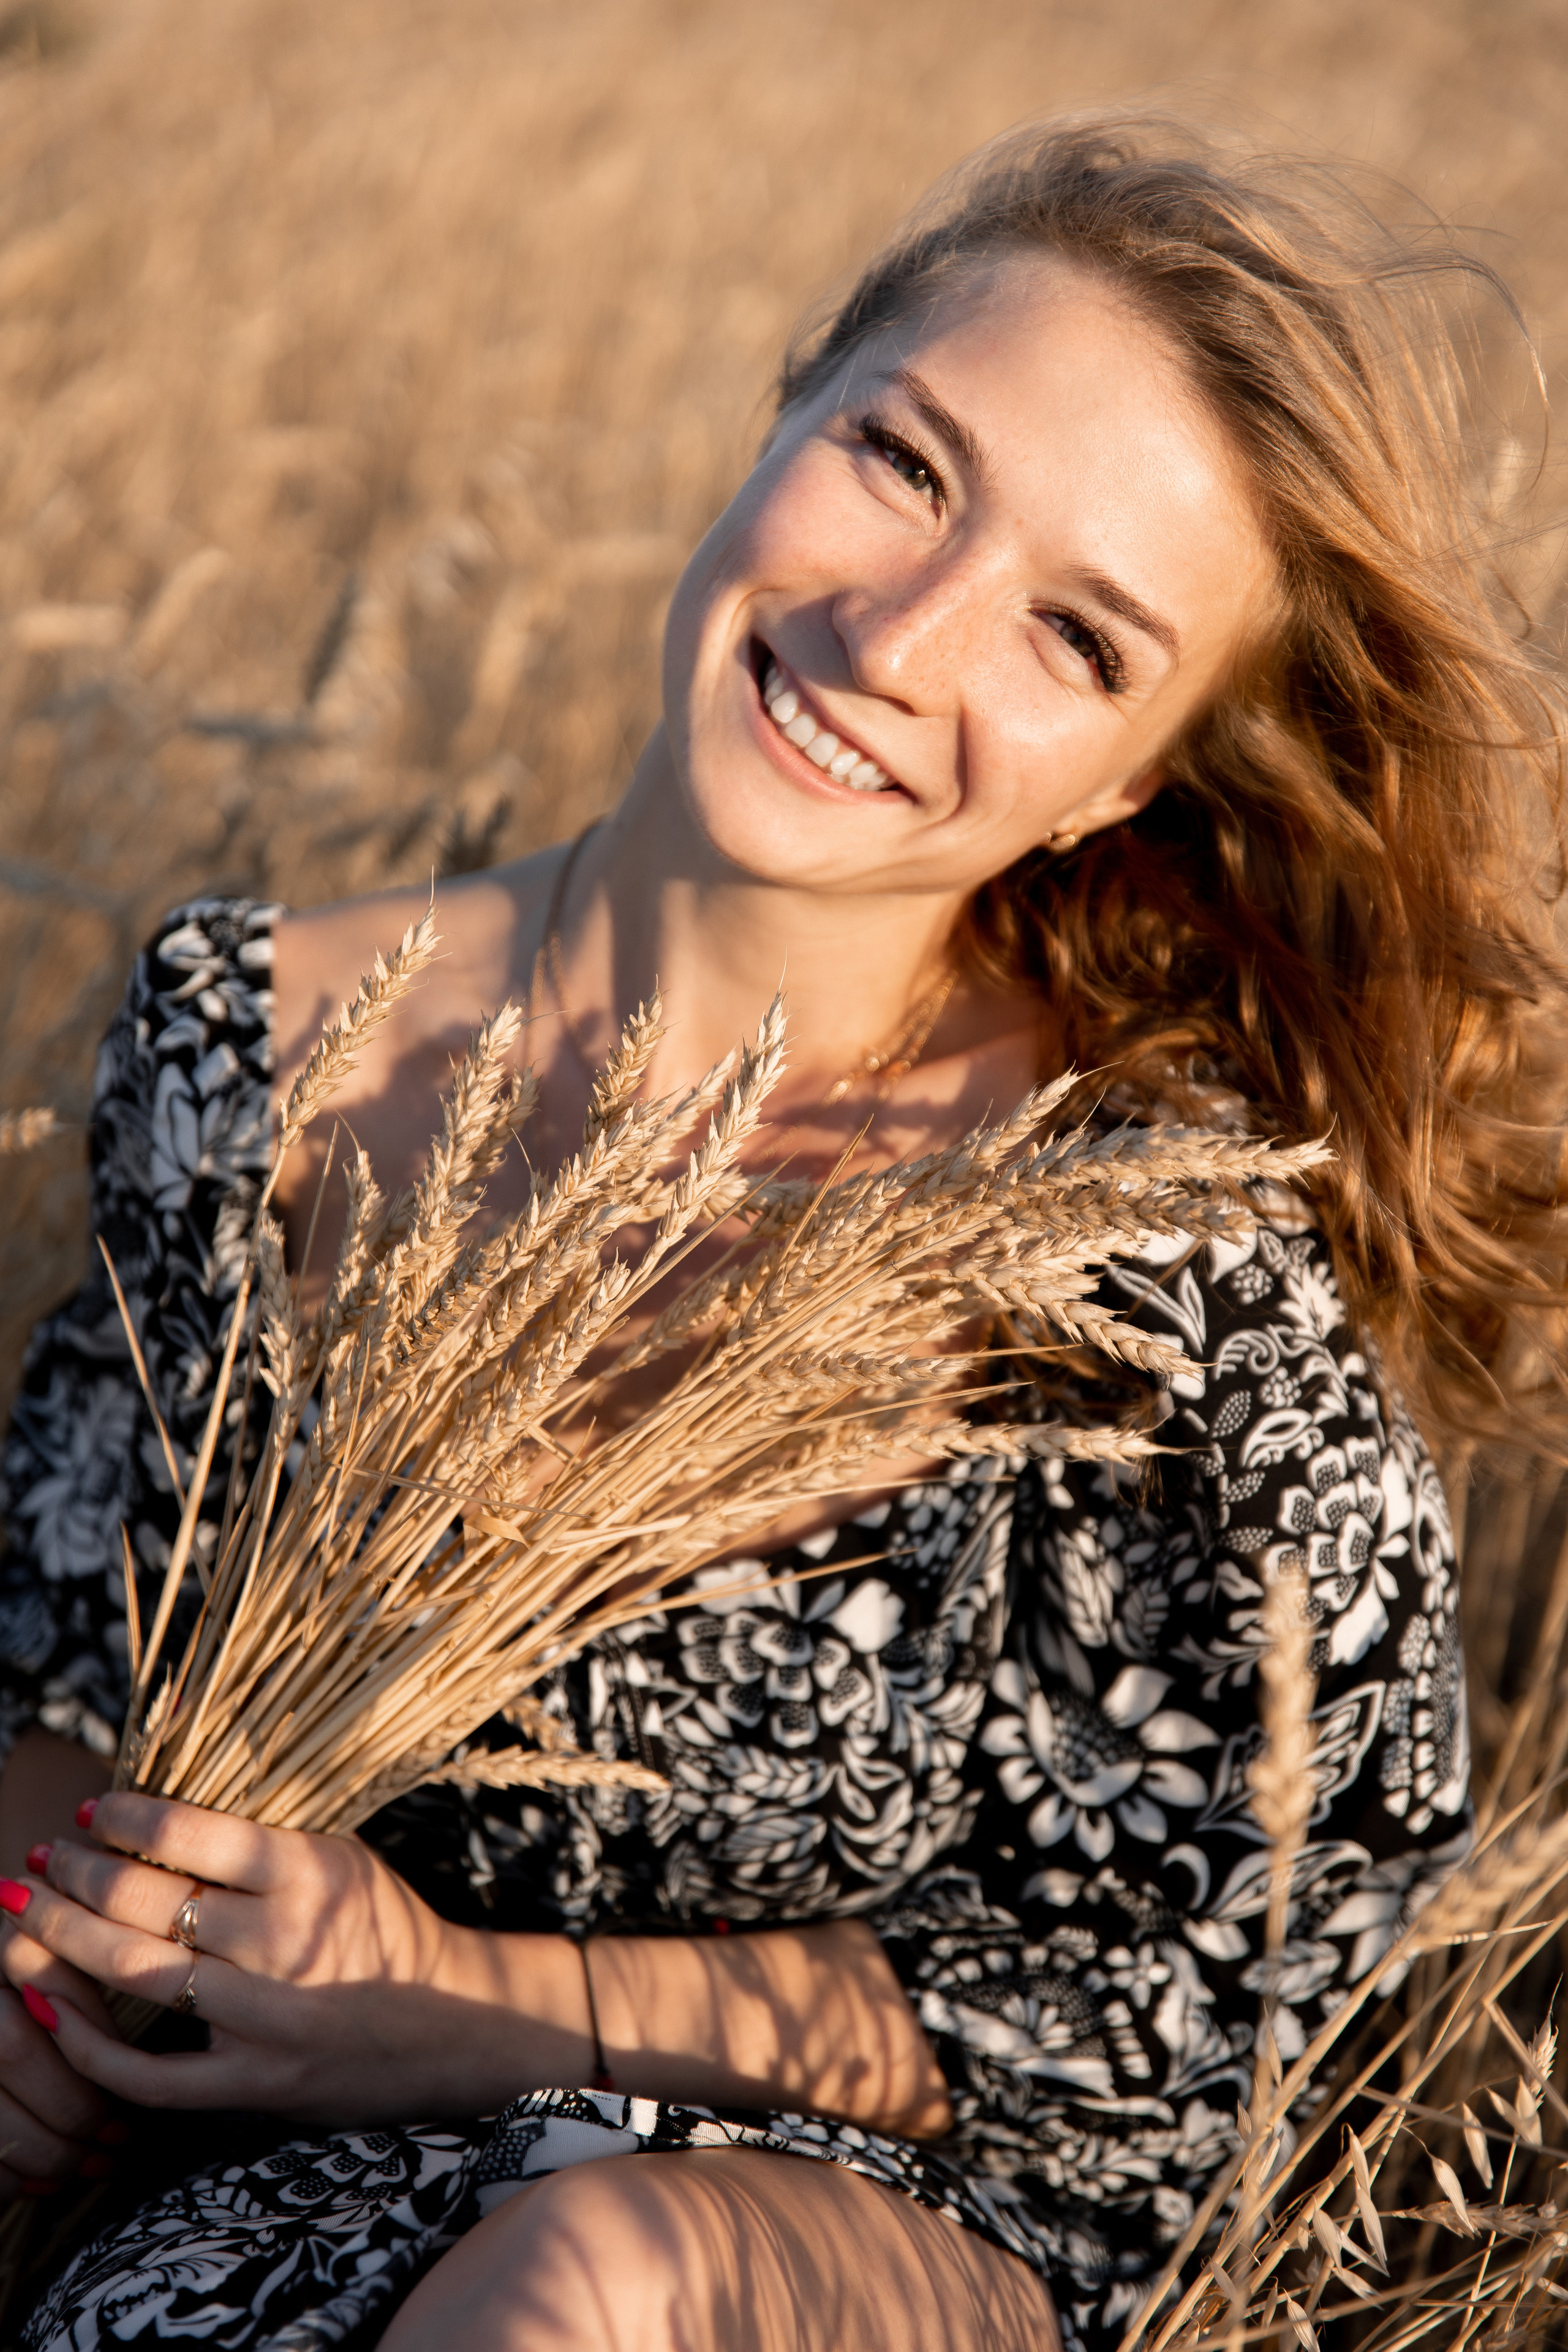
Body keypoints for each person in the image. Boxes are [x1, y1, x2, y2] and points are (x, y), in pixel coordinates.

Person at [0, 111, 1560, 2352]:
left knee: (595, 2283)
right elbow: (67, 1653)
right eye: (906, 463)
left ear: (1129, 780)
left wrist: (456, 1998)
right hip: (275, 2195)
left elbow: (1211, 1991)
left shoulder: (1144, 1261)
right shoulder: (250, 1046)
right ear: (789, 405)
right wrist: (63, 1948)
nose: (900, 635)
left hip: (855, 2229)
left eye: (1078, 635)